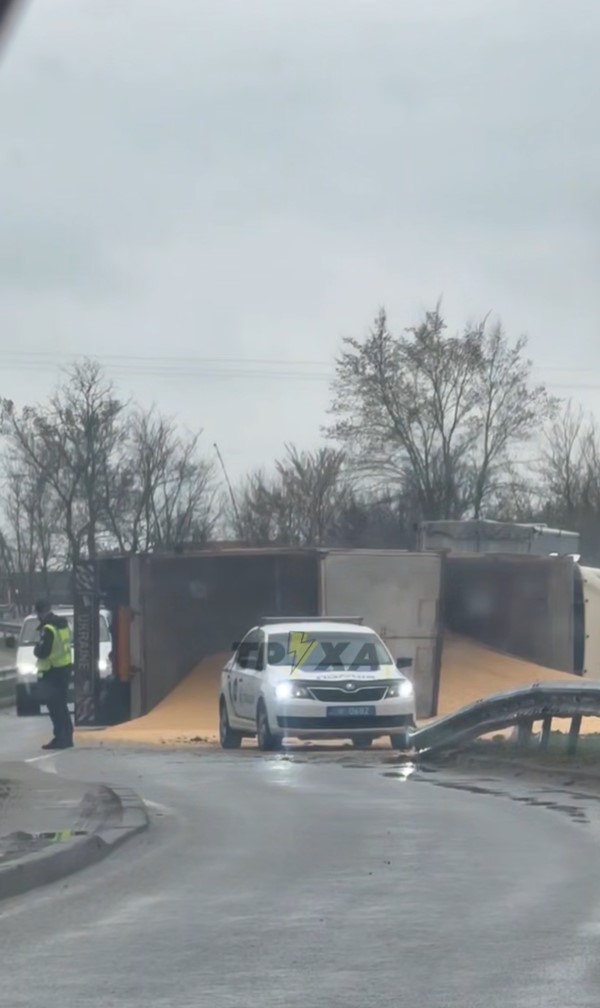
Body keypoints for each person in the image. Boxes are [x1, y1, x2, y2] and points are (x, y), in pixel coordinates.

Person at [33, 600, 74, 750]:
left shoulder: (48, 628)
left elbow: (44, 652)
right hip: (64, 668)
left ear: (39, 612)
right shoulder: (63, 624)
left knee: (55, 707)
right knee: (61, 705)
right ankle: (67, 736)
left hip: (52, 671)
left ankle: (61, 738)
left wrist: (36, 649)